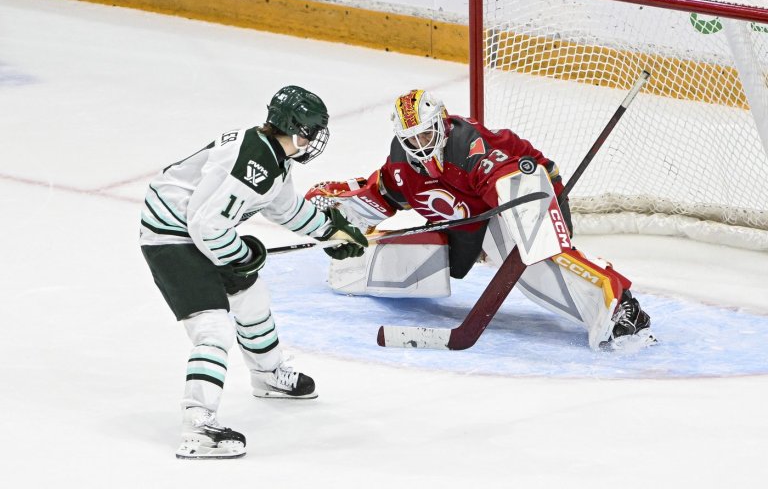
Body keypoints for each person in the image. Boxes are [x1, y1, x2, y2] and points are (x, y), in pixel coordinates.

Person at [306, 89, 657, 351]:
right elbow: (380, 194)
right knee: (417, 253)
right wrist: (335, 217)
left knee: (533, 263)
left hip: (528, 192)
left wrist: (517, 204)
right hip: (471, 218)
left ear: (441, 125)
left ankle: (618, 305)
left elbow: (507, 174)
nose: (420, 145)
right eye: (411, 139)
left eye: (425, 135)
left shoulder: (469, 147)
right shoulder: (402, 165)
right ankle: (359, 269)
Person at [139, 85, 368, 460]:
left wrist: (329, 230)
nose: (312, 141)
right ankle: (197, 427)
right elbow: (208, 226)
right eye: (311, 132)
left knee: (252, 299)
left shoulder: (273, 155)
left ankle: (268, 375)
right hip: (171, 238)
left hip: (196, 230)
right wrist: (243, 254)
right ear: (297, 130)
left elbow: (285, 208)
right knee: (213, 329)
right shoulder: (254, 163)